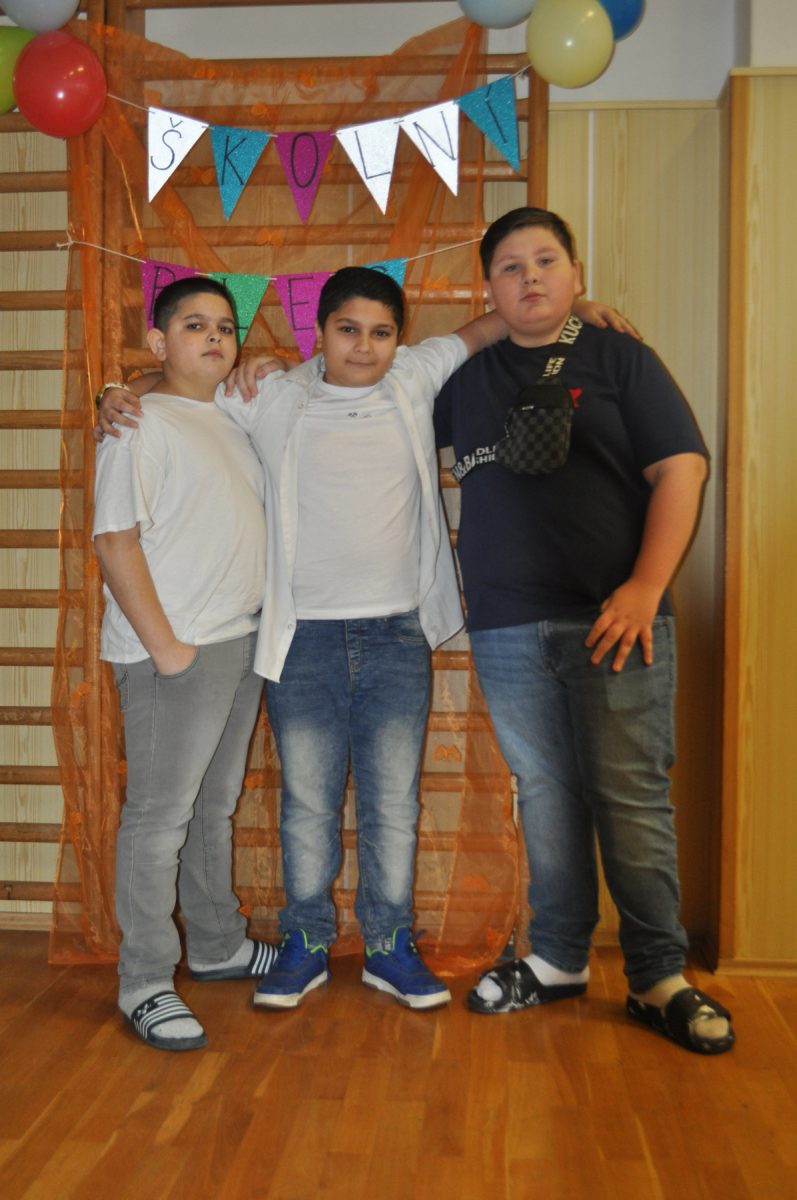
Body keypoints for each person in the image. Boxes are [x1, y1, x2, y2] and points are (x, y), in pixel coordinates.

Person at [96, 267, 631, 1014]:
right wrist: (118, 390)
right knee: (306, 805)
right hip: (301, 638)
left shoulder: (413, 375)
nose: (364, 346)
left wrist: (570, 310)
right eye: (348, 330)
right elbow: (185, 384)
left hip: (396, 635)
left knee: (392, 803)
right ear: (319, 333)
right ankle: (305, 940)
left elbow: (483, 327)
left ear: (399, 339)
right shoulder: (270, 394)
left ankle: (388, 945)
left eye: (381, 333)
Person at [433, 207, 734, 1054]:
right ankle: (558, 957)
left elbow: (682, 468)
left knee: (629, 796)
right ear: (487, 288)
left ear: (576, 274)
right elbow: (366, 397)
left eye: (546, 261)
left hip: (614, 620)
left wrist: (644, 587)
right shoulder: (461, 380)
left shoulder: (618, 356)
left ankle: (656, 976)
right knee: (545, 793)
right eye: (509, 267)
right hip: (504, 625)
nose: (529, 277)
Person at [93, 277, 277, 1052]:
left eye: (225, 327)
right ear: (158, 341)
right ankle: (143, 978)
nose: (214, 338)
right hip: (174, 650)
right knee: (159, 816)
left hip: (238, 640)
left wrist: (267, 356)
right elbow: (114, 539)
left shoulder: (231, 413)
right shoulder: (135, 424)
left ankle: (216, 942)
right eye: (194, 325)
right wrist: (167, 648)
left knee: (213, 806)